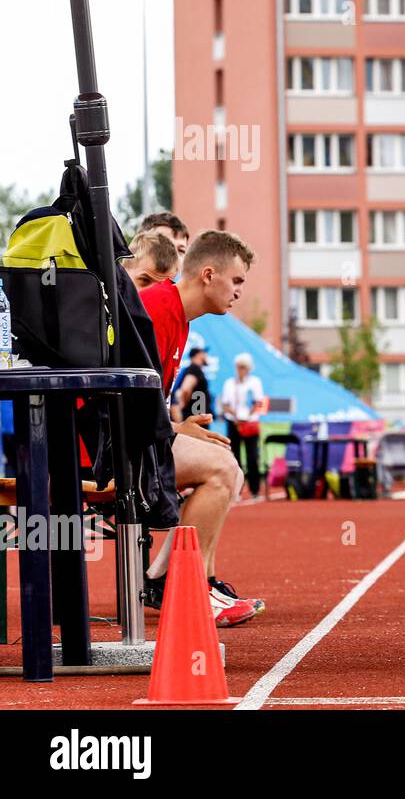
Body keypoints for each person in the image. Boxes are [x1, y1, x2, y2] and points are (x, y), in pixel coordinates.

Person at [139, 230, 264, 625]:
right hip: (108, 447)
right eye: (237, 280)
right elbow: (127, 399)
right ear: (209, 274)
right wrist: (173, 431)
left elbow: (146, 398)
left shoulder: (178, 317)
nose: (239, 292)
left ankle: (176, 580)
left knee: (229, 463)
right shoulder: (157, 309)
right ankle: (186, 586)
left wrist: (176, 425)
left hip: (136, 436)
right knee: (221, 467)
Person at [220, 352, 266, 499]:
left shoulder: (255, 382)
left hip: (250, 422)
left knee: (252, 457)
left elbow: (258, 402)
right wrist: (236, 416)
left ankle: (255, 489)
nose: (240, 370)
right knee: (235, 457)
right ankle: (236, 490)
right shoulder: (229, 383)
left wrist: (246, 416)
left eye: (243, 367)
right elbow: (225, 404)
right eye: (238, 367)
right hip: (233, 422)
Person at [173, 345, 211, 422]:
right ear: (198, 355)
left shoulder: (190, 369)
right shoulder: (194, 369)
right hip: (194, 418)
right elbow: (185, 389)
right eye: (204, 353)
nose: (206, 355)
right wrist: (181, 406)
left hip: (193, 418)